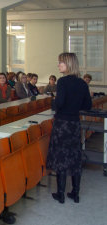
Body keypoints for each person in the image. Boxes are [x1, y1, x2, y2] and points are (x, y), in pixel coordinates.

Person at [46, 52, 92, 204]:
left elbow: (59, 104)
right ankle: (75, 193)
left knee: (60, 157)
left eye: (61, 63)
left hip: (62, 124)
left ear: (68, 64)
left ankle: (60, 194)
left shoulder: (62, 82)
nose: (58, 65)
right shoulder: (82, 83)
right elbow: (87, 106)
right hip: (74, 125)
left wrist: (53, 100)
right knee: (74, 157)